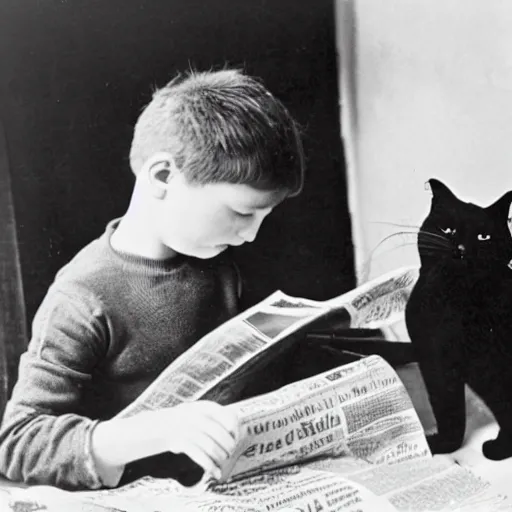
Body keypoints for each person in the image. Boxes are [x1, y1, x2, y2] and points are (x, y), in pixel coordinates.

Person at [0, 69, 305, 491]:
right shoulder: (82, 297)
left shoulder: (223, 261)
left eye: (264, 217)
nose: (251, 234)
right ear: (163, 177)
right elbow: (19, 442)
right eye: (241, 212)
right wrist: (160, 430)